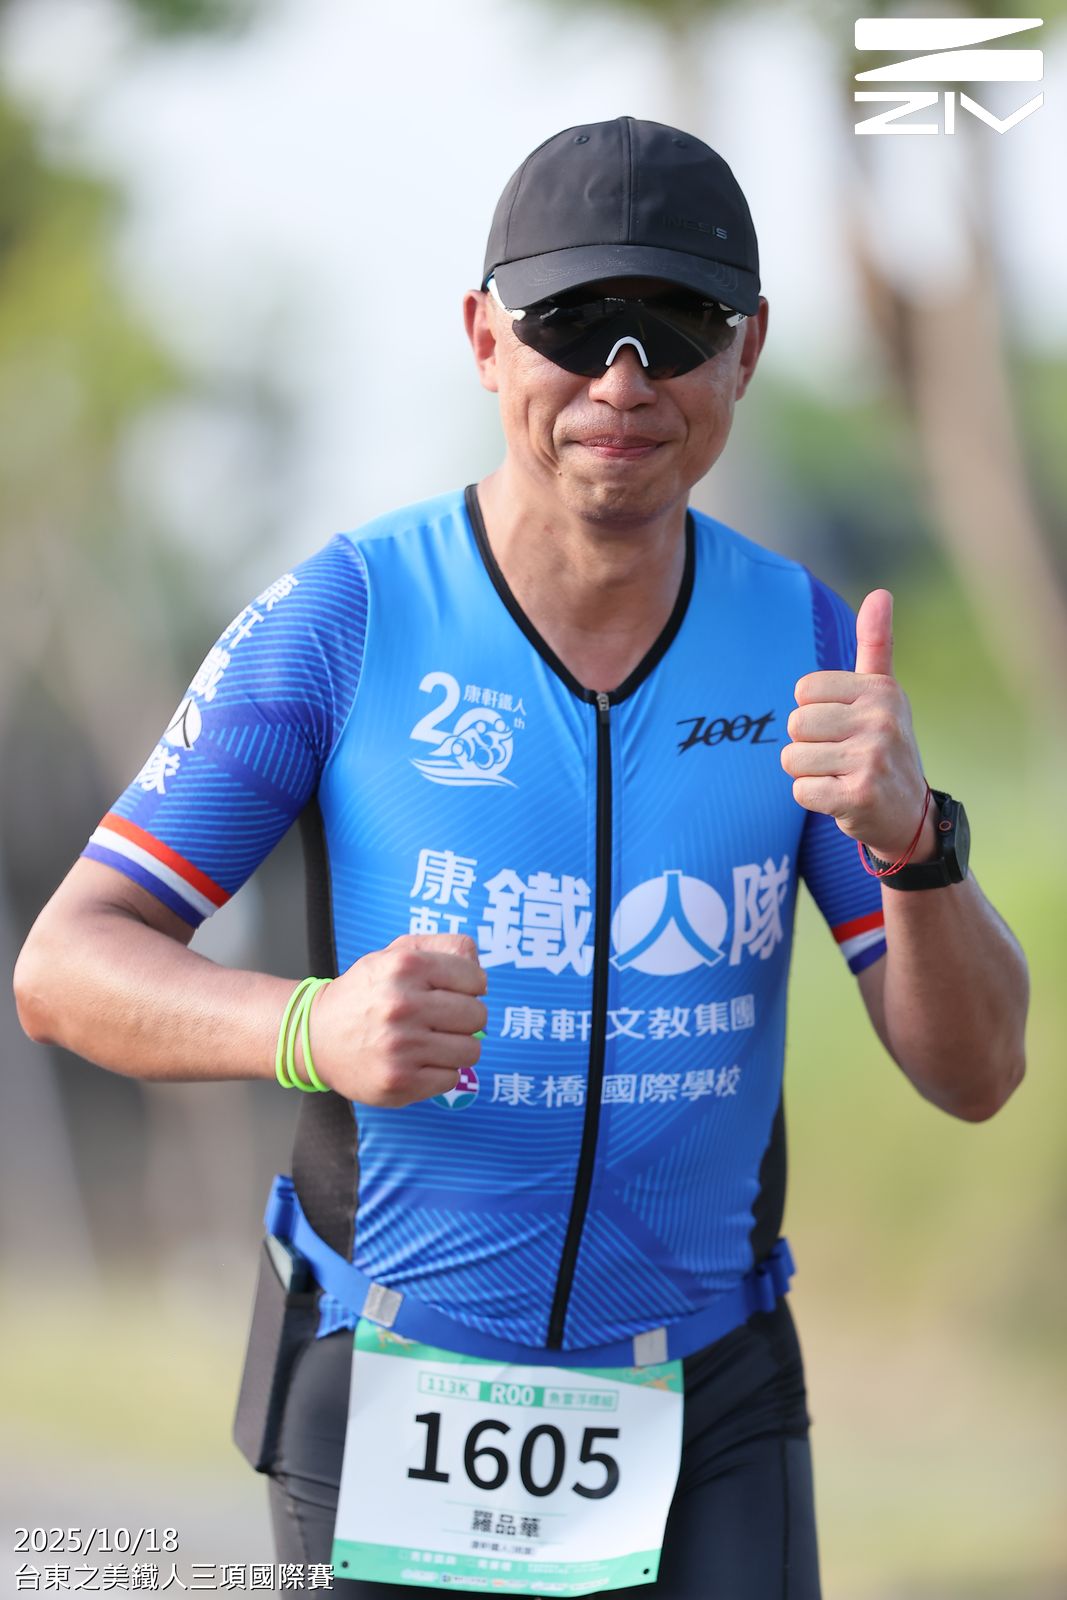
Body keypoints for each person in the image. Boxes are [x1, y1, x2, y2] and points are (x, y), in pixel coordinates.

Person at [13, 116, 1028, 1599]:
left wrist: (918, 844)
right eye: (573, 321)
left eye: (676, 324)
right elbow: (64, 968)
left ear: (746, 352)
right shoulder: (346, 621)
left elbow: (978, 1074)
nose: (623, 379)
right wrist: (312, 1029)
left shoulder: (810, 645)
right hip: (389, 1381)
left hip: (709, 1399)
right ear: (486, 339)